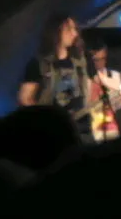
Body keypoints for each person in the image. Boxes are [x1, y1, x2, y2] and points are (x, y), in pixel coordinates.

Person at [18, 14, 99, 144]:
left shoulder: (82, 60)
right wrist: (47, 119)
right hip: (54, 133)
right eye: (68, 29)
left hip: (82, 128)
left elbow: (97, 83)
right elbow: (25, 98)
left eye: (75, 29)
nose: (74, 33)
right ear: (56, 31)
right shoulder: (39, 64)